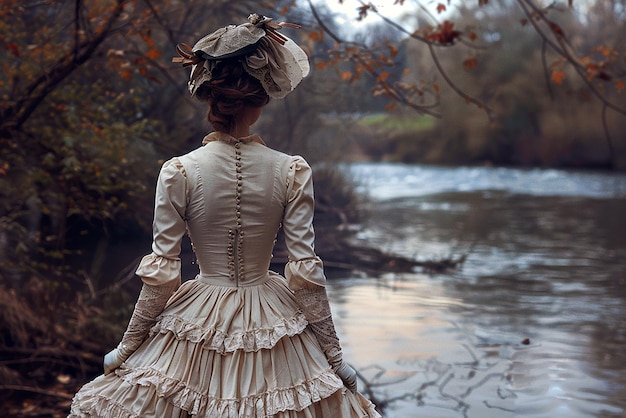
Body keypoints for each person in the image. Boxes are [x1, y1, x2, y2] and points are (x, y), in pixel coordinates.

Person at [69, 13, 380, 418]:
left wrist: (129, 346)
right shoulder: (291, 170)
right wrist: (334, 357)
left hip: (197, 314)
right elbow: (304, 273)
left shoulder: (179, 171)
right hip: (273, 318)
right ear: (263, 98)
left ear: (209, 97)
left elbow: (163, 272)